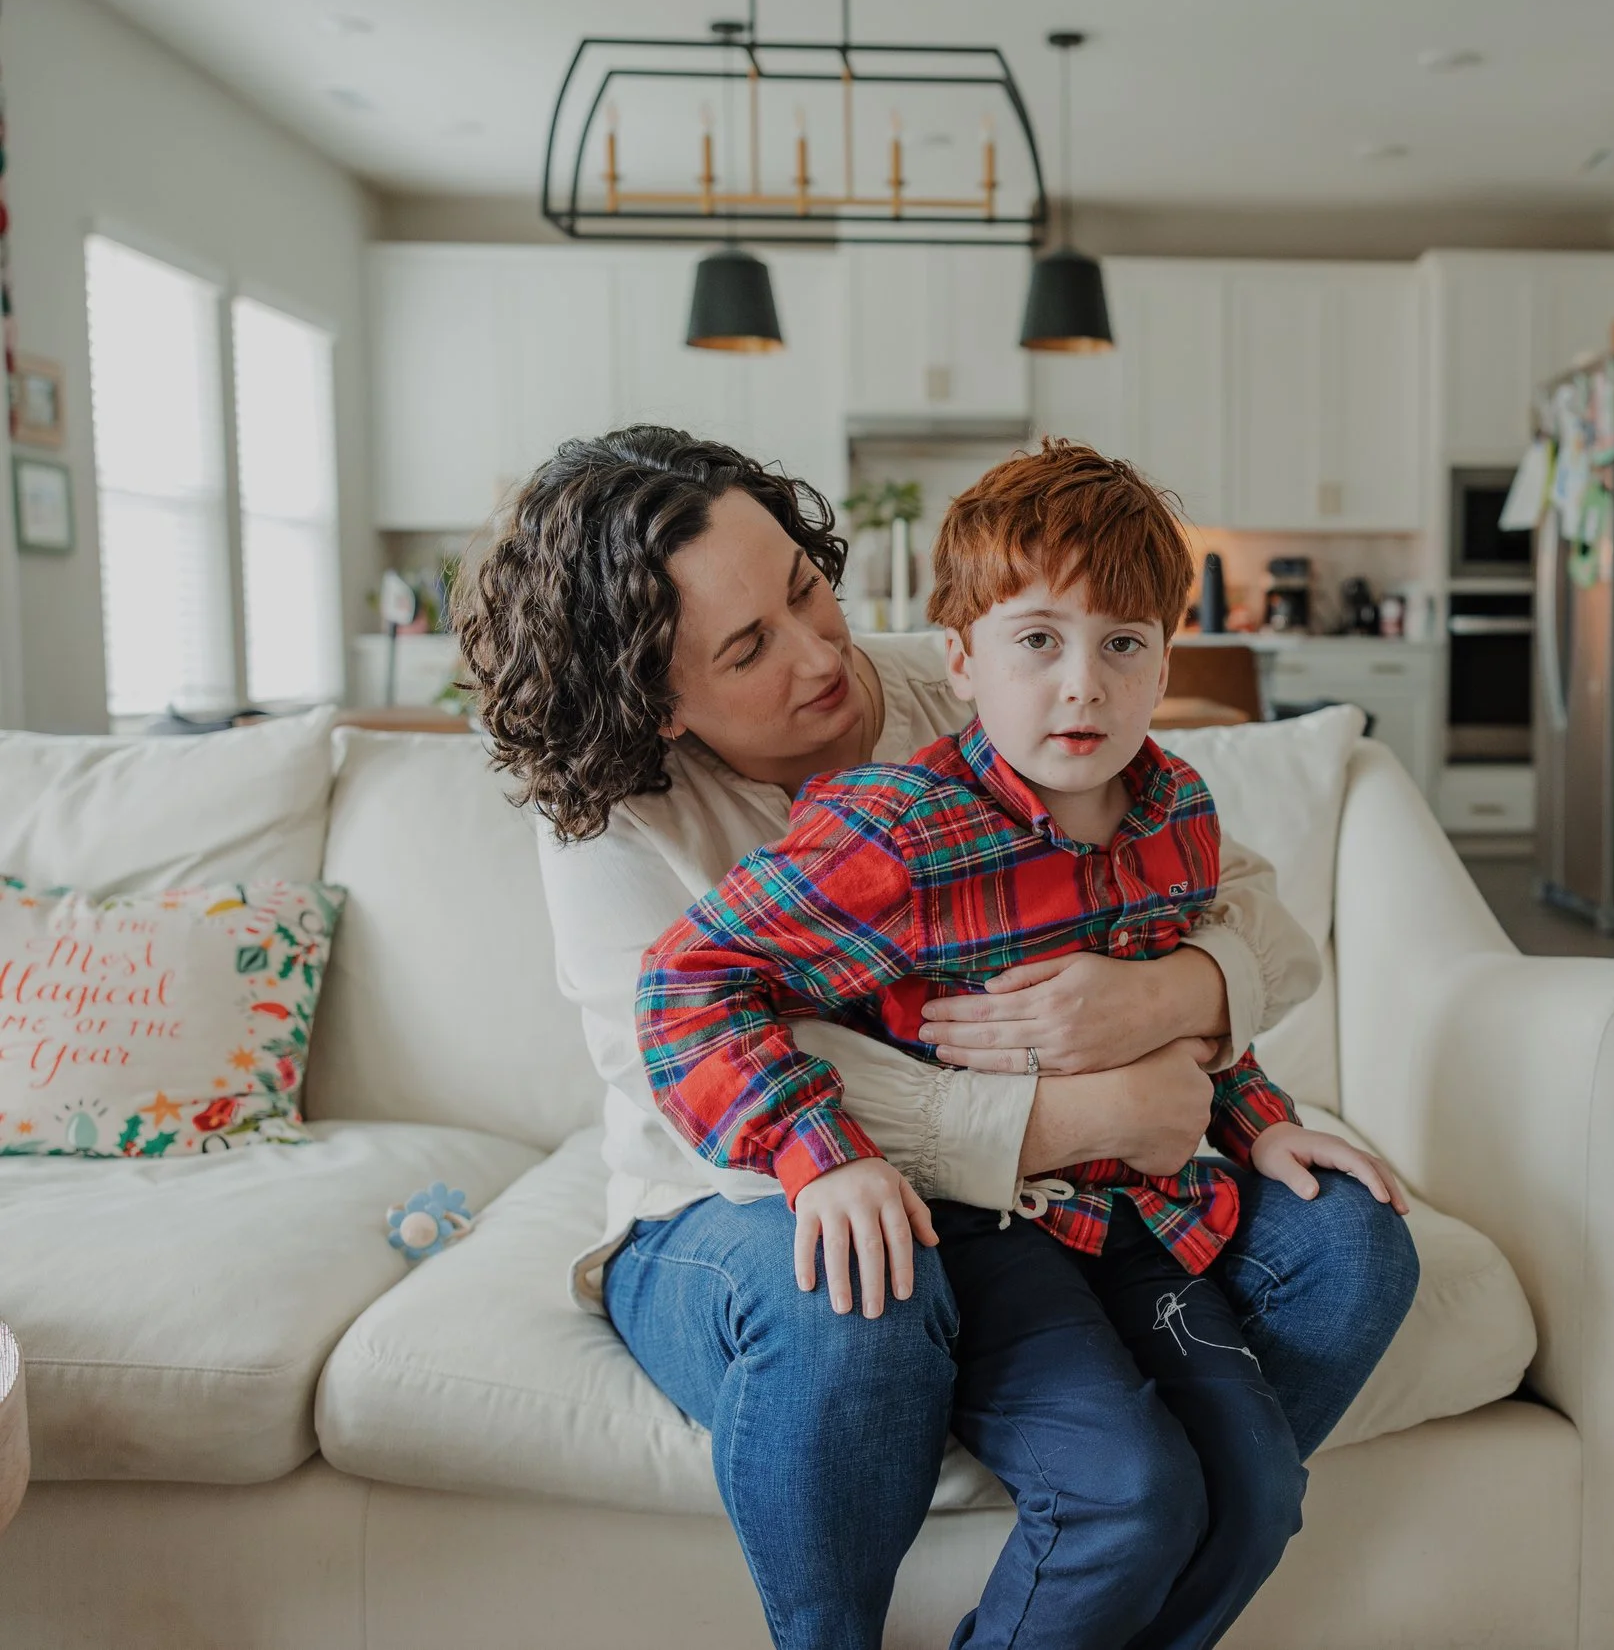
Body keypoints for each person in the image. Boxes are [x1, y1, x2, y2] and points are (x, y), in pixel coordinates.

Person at [452, 426, 1419, 1650]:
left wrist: (1172, 1000)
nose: (822, 652)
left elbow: (1231, 913)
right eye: (749, 646)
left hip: (1060, 1198)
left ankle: (1119, 1560)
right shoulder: (624, 816)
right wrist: (1096, 1111)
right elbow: (692, 1027)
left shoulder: (983, 678)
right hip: (747, 1186)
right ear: (654, 701)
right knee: (850, 1294)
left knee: (1342, 1260)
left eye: (808, 588)